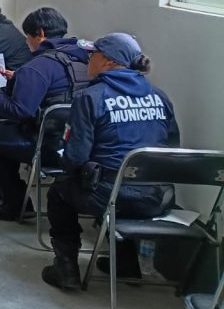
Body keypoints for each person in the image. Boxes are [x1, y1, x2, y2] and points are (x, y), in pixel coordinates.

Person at [41, 33, 180, 291]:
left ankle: (66, 269)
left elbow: (75, 157)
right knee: (112, 186)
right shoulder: (160, 96)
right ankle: (126, 263)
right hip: (156, 197)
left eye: (92, 55)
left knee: (61, 191)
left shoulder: (90, 97)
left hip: (109, 195)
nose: (88, 60)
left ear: (108, 61)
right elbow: (172, 149)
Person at [0, 7, 90, 219]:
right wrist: (18, 78)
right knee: (6, 132)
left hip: (47, 145)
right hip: (81, 145)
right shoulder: (84, 60)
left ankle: (14, 202)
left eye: (28, 37)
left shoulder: (37, 66)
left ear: (40, 33)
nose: (27, 42)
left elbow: (18, 112)